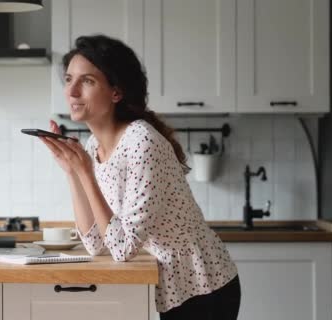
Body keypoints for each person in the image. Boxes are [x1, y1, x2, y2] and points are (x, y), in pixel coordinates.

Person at [39, 34, 241, 319]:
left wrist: (85, 171)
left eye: (87, 81)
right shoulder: (94, 146)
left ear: (116, 92)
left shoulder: (142, 143)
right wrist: (73, 172)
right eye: (69, 79)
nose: (71, 92)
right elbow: (96, 244)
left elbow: (122, 248)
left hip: (203, 287)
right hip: (170, 288)